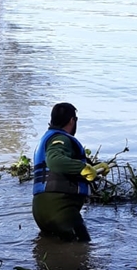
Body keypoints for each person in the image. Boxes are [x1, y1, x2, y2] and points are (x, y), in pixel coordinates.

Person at [31, 102, 108, 242]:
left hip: (40, 211)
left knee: (48, 251)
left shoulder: (48, 138)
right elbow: (55, 161)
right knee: (82, 248)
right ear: (72, 120)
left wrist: (95, 167)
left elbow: (65, 167)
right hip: (60, 210)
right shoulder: (60, 139)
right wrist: (83, 168)